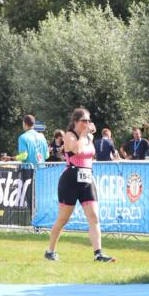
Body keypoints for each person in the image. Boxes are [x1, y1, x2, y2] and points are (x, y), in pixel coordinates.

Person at [44, 107, 115, 263]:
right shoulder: (70, 136)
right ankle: (50, 251)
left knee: (94, 216)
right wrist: (83, 134)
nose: (88, 123)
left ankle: (98, 253)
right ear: (76, 122)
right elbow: (77, 150)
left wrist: (91, 173)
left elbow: (89, 156)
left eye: (89, 120)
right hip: (70, 180)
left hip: (87, 178)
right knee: (63, 219)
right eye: (84, 121)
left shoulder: (89, 137)